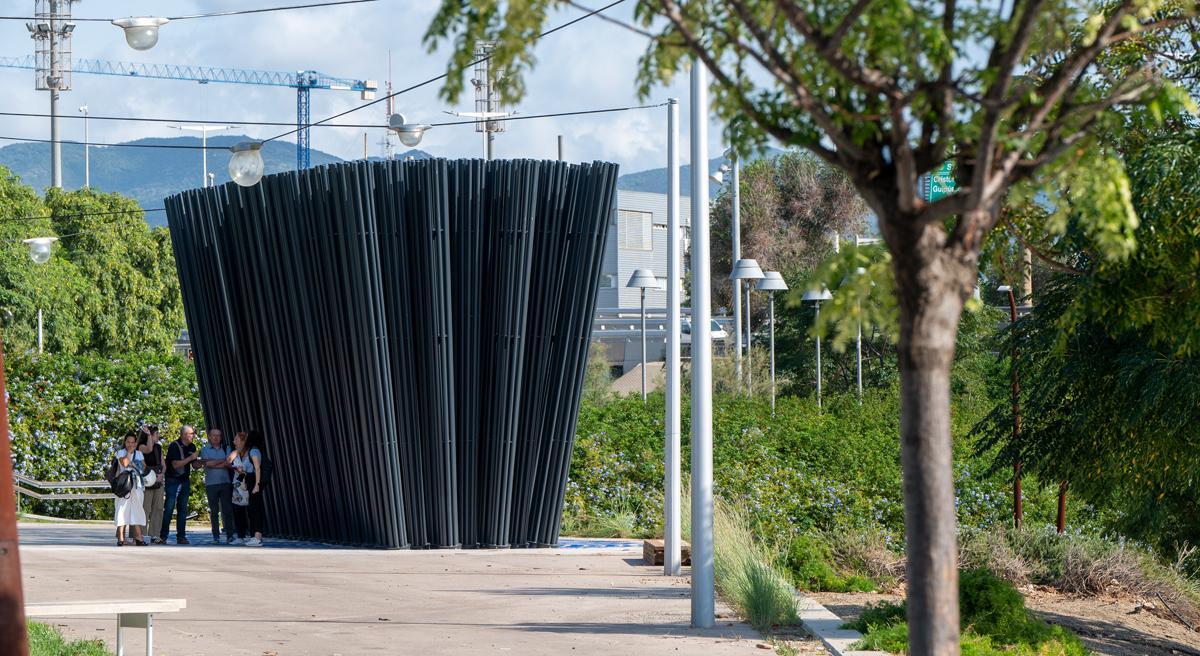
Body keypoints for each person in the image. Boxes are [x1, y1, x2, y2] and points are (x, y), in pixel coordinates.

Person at [160, 425, 202, 545]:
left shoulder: (192, 446)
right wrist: (191, 458)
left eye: (193, 433)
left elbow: (194, 465)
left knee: (183, 509)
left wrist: (201, 462)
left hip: (184, 480)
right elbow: (175, 465)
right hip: (172, 479)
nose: (193, 435)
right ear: (184, 435)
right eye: (191, 433)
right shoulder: (174, 445)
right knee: (168, 508)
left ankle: (181, 536)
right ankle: (163, 536)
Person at [228, 430, 265, 547]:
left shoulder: (253, 451)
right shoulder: (243, 451)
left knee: (255, 509)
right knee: (247, 509)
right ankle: (252, 536)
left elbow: (257, 469)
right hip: (246, 481)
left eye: (237, 439)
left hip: (253, 480)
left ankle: (257, 537)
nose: (234, 442)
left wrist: (257, 485)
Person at [200, 428, 236, 545]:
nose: (216, 438)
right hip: (211, 484)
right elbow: (208, 464)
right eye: (214, 435)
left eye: (218, 435)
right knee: (214, 511)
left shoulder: (227, 448)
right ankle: (216, 536)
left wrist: (213, 463)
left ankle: (230, 535)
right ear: (209, 437)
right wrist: (223, 462)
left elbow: (229, 463)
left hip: (225, 483)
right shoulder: (204, 450)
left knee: (227, 510)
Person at [113, 431, 147, 547]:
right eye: (128, 442)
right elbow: (125, 463)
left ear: (136, 443)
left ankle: (138, 536)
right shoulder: (121, 453)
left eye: (133, 442)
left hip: (136, 485)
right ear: (125, 442)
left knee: (137, 509)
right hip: (125, 485)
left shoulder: (139, 454)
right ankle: (121, 537)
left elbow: (143, 467)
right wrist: (130, 453)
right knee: (122, 509)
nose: (130, 444)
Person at [137, 425, 166, 544]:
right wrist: (148, 435)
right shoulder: (141, 447)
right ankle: (141, 534)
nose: (158, 436)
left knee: (158, 507)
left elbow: (163, 463)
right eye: (156, 434)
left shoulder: (158, 447)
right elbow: (149, 449)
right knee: (145, 508)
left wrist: (162, 474)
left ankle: (155, 534)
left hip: (158, 479)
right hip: (147, 479)